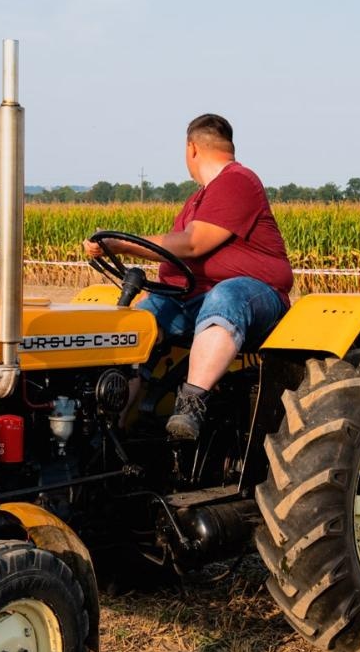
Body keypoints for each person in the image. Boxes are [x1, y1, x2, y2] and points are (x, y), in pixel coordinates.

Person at [84, 114, 293, 439]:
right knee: (141, 322)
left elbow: (193, 244)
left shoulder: (237, 181)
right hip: (194, 299)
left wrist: (120, 244)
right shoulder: (198, 199)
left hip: (257, 300)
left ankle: (192, 402)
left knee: (227, 294)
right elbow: (174, 252)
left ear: (191, 148)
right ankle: (106, 430)